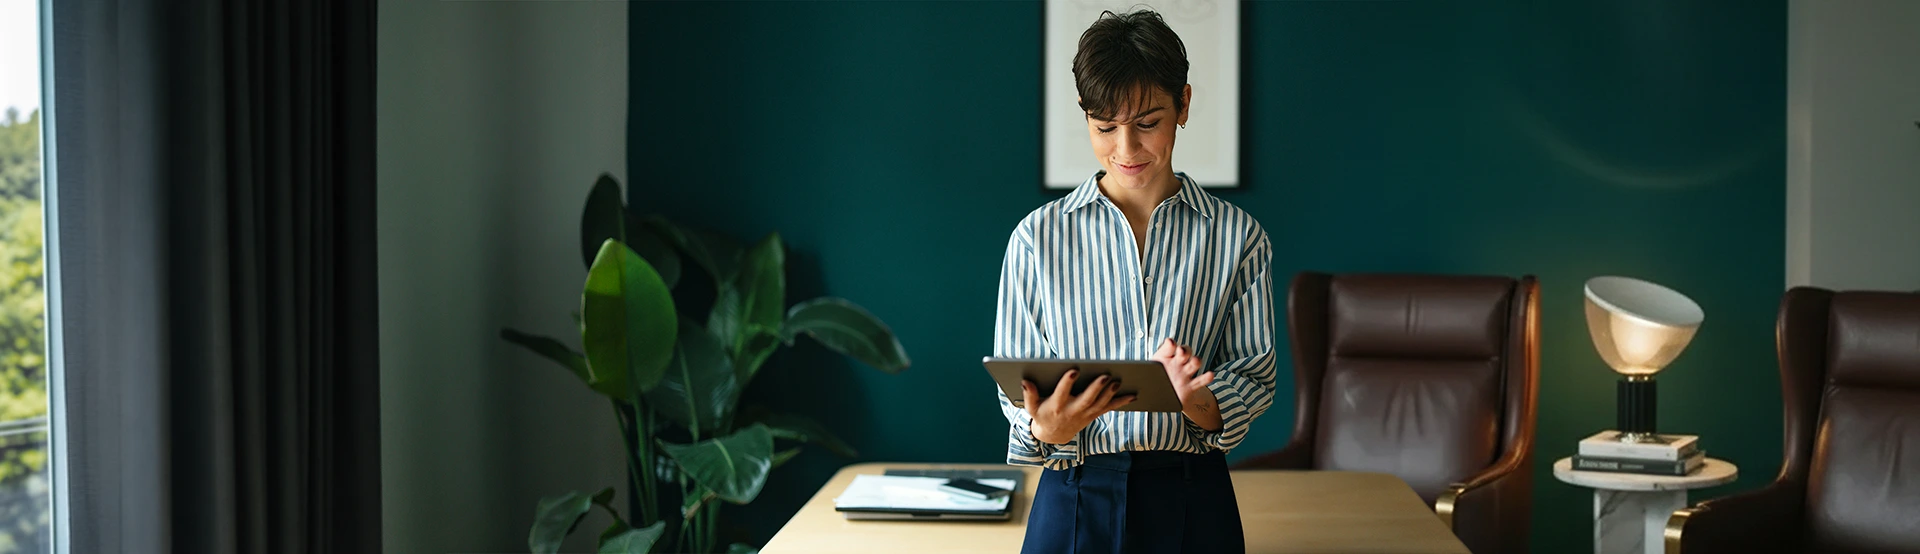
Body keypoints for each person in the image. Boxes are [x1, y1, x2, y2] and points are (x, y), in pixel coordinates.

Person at [993, 8, 1276, 554]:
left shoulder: (1239, 238)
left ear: (1184, 105)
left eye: (1148, 123)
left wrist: (1196, 400)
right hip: (1072, 495)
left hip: (1195, 496)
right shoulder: (1036, 239)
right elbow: (1017, 392)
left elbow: (1253, 377)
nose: (1126, 149)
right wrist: (1045, 429)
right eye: (1104, 127)